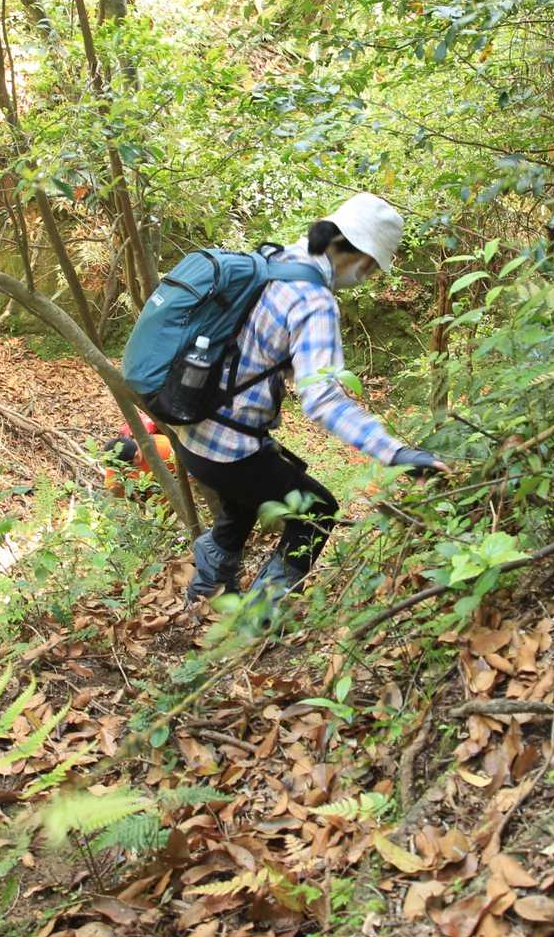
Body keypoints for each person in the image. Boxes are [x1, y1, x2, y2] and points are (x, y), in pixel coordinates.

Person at [172, 192, 445, 624]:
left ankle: (203, 595)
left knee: (244, 502)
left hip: (191, 427)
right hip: (228, 447)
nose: (368, 278)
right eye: (372, 268)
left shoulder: (274, 259)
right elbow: (322, 400)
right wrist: (394, 452)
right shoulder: (313, 300)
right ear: (355, 255)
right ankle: (257, 623)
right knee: (317, 511)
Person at [102, 416, 175, 497]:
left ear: (136, 456)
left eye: (128, 465)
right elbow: (112, 491)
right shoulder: (117, 463)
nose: (126, 469)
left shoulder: (165, 447)